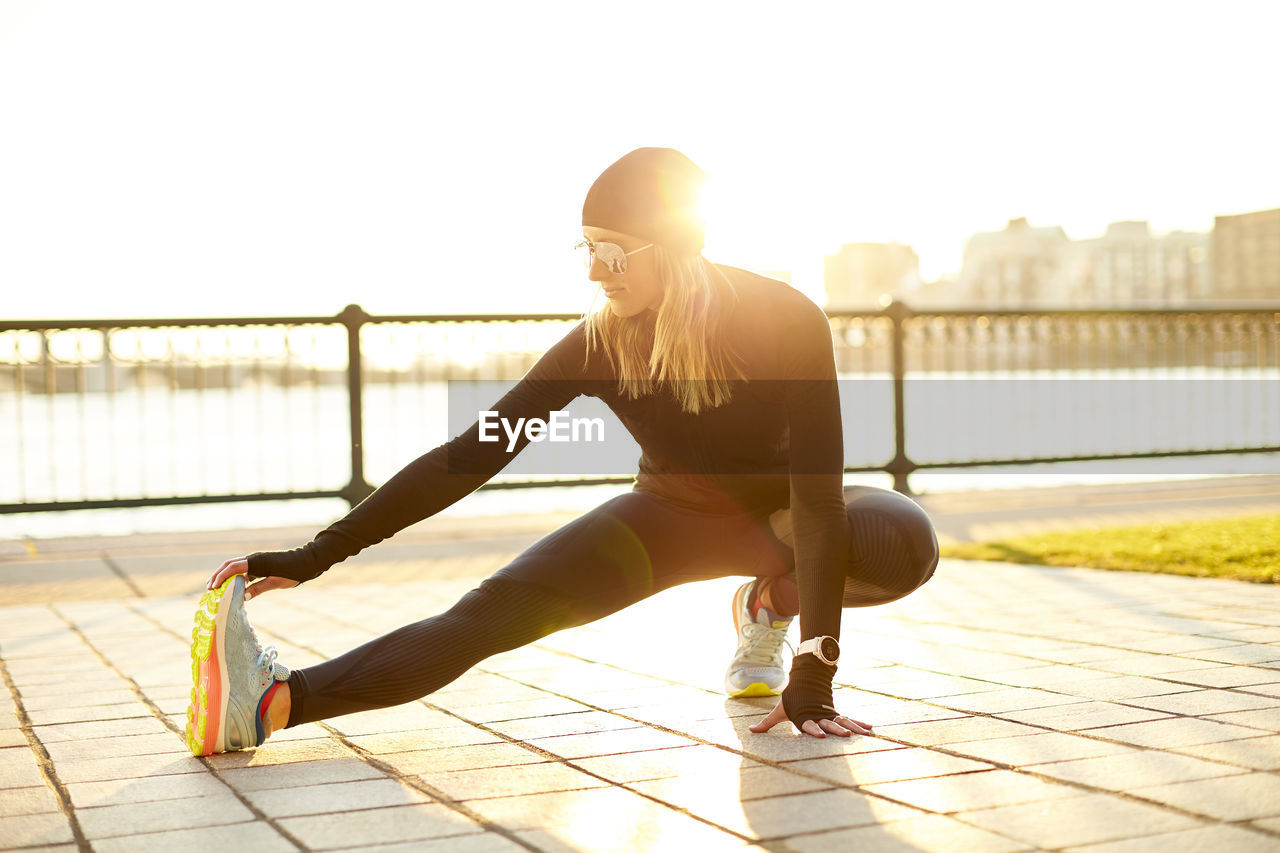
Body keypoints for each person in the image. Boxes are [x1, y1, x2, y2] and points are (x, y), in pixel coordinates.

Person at [185, 148, 939, 757]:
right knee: (484, 618)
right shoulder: (598, 343)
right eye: (587, 249)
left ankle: (766, 604)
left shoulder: (785, 319)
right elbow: (469, 455)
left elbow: (816, 498)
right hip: (663, 521)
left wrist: (813, 674)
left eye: (613, 253)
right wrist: (317, 553)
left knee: (898, 541)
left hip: (780, 519)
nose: (592, 271)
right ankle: (273, 701)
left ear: (672, 249)